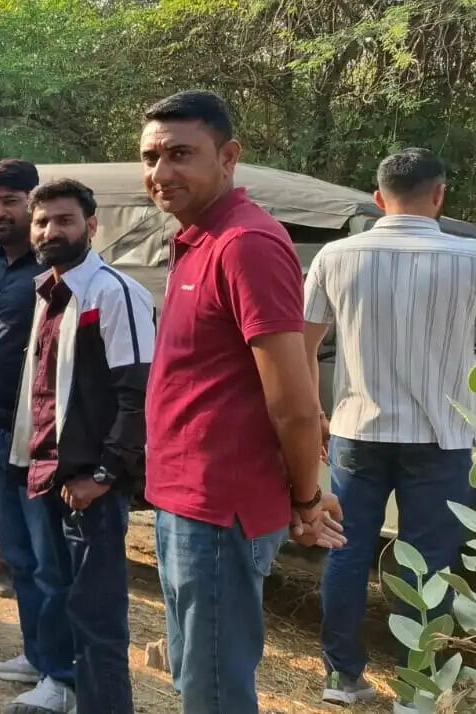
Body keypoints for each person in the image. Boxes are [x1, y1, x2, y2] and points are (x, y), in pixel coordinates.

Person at [140, 90, 343, 714]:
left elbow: (295, 402)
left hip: (220, 509)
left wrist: (306, 498)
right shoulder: (196, 241)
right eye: (150, 156)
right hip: (183, 499)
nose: (160, 172)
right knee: (191, 677)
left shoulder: (246, 243)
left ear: (228, 157)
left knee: (215, 690)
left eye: (180, 154)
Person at [306, 149, 476, 709]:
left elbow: (303, 347)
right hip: (442, 436)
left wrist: (314, 413)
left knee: (347, 550)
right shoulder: (470, 258)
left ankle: (342, 679)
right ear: (440, 194)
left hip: (358, 428)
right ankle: (416, 687)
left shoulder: (335, 256)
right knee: (429, 562)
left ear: (378, 198)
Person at [4, 179, 154, 714]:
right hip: (48, 473)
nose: (50, 231)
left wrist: (106, 474)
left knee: (97, 613)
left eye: (64, 221)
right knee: (59, 591)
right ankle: (63, 688)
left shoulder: (114, 293)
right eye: (42, 222)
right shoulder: (49, 291)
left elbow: (139, 393)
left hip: (89, 483)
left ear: (92, 227)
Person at [0, 159, 66, 689]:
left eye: (10, 201)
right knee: (21, 559)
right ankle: (37, 654)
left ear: (34, 202)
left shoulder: (52, 269)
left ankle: (62, 673)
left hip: (41, 438)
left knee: (52, 562)